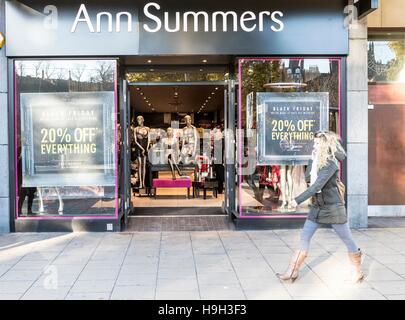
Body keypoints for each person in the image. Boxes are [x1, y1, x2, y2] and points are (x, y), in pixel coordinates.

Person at [277, 131, 364, 283]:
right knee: (305, 236)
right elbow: (309, 180)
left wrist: (295, 201)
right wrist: (312, 160)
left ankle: (357, 270)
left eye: (317, 143)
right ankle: (292, 270)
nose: (314, 146)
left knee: (347, 239)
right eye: (314, 143)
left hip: (333, 207)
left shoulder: (330, 164)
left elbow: (316, 186)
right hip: (317, 206)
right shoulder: (317, 160)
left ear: (324, 145)